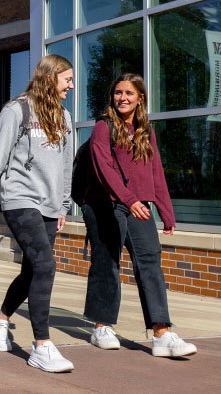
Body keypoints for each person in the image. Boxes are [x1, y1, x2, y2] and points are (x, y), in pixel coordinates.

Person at [0, 54, 77, 373]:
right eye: (67, 79)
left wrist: (64, 205)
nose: (71, 84)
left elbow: (66, 166)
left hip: (50, 204)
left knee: (33, 271)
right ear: (49, 78)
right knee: (46, 265)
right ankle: (41, 346)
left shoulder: (65, 117)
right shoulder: (16, 111)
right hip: (19, 199)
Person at [81, 73, 196, 358]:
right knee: (106, 261)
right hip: (104, 203)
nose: (122, 98)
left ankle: (161, 333)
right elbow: (104, 170)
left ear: (140, 98)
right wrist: (129, 200)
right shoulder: (103, 127)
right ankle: (102, 327)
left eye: (129, 93)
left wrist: (166, 210)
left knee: (150, 262)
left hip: (138, 205)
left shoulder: (145, 130)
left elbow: (155, 171)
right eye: (118, 92)